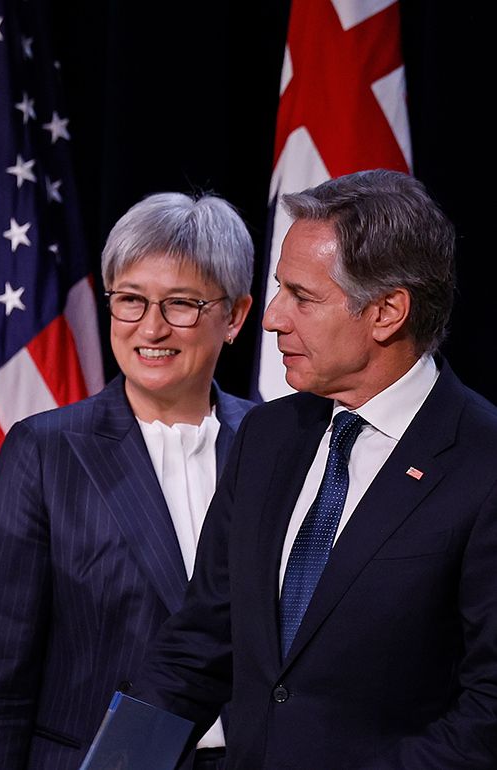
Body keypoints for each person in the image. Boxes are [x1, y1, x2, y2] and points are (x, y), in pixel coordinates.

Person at [133, 169, 497, 768]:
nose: (273, 317)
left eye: (301, 297)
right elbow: (202, 642)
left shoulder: (482, 466)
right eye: (279, 290)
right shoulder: (269, 436)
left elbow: (486, 713)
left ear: (386, 312)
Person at [0, 193, 254, 770]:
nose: (151, 326)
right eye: (131, 301)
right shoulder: (44, 452)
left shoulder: (279, 445)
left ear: (236, 316)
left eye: (181, 305)